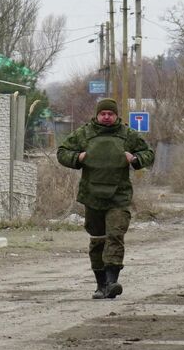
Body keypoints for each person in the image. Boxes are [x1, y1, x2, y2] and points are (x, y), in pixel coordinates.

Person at [55, 98, 155, 298]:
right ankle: (100, 285)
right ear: (97, 115)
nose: (107, 117)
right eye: (103, 114)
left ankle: (112, 281)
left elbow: (148, 153)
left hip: (119, 196)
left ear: (116, 115)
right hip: (92, 195)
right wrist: (78, 158)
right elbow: (62, 152)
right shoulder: (85, 133)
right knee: (98, 239)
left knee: (115, 235)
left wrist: (135, 159)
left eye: (110, 114)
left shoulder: (127, 135)